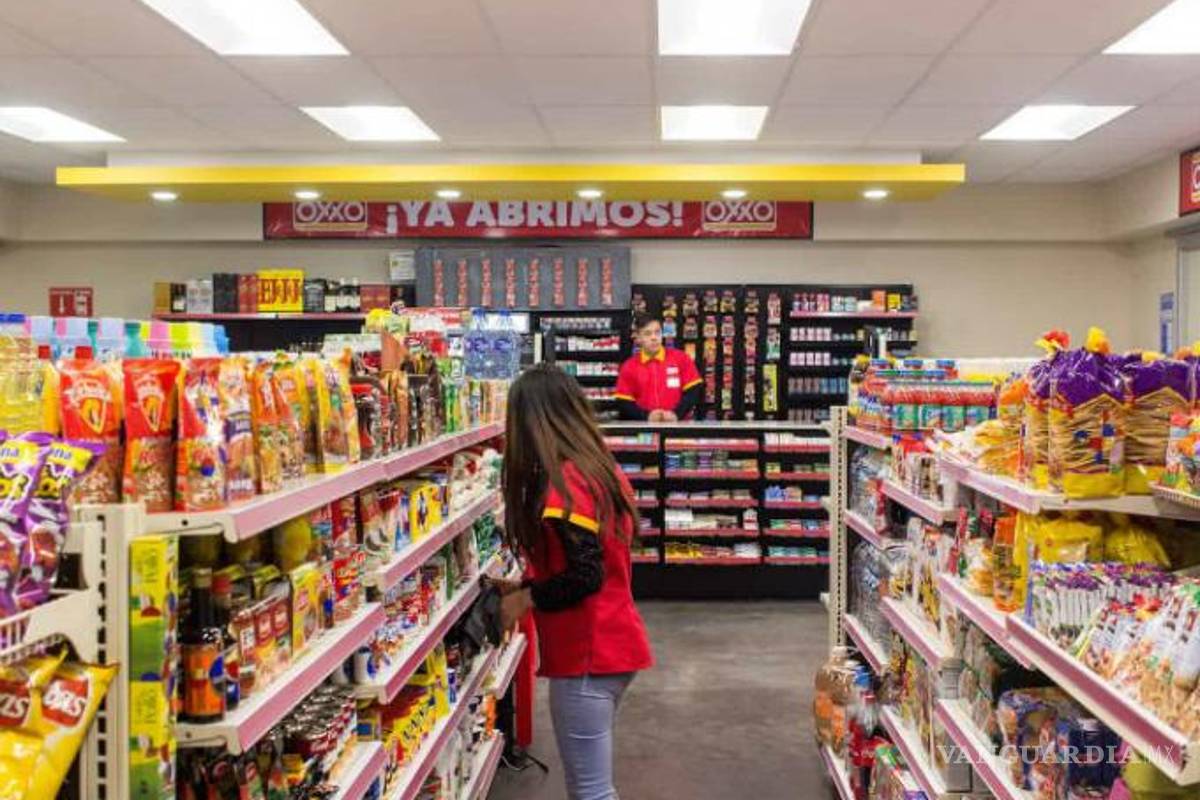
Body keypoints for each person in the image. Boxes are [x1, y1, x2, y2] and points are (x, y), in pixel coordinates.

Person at [495, 364, 654, 800]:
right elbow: (584, 557)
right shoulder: (595, 467)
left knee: (591, 793)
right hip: (611, 645)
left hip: (589, 654)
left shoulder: (566, 484)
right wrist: (529, 580)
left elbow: (585, 574)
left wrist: (525, 598)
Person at [613, 312, 703, 421]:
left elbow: (693, 391)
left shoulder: (681, 358)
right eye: (647, 334)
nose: (654, 338)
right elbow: (624, 402)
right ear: (637, 338)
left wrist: (676, 414)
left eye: (657, 332)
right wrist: (646, 416)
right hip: (645, 431)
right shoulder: (629, 366)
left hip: (678, 427)